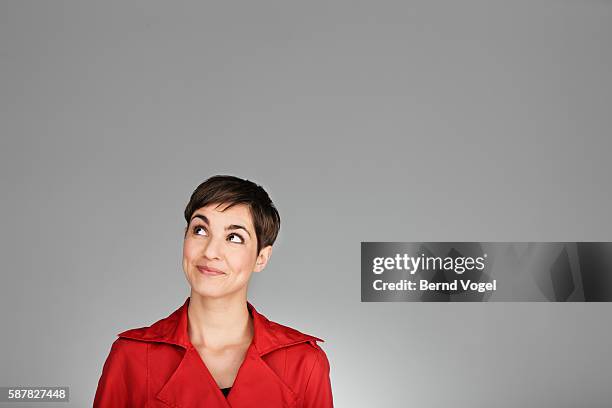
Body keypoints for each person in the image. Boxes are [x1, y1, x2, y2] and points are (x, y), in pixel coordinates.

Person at [93, 175, 333, 407]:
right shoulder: (131, 356)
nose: (210, 252)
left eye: (234, 237)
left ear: (261, 257)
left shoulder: (303, 362)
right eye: (200, 230)